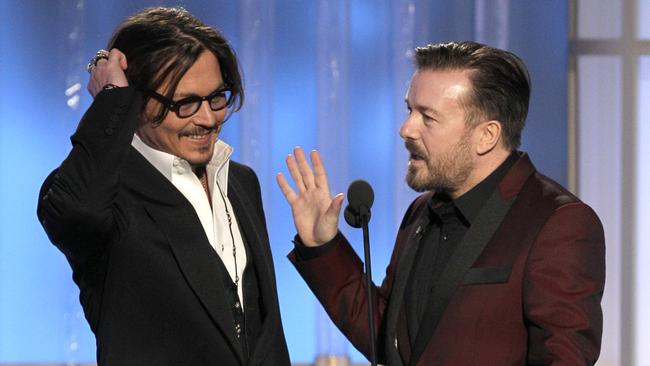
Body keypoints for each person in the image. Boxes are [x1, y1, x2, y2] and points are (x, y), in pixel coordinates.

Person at [277, 41, 605, 365]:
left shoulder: (558, 223)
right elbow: (391, 340)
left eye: (428, 118)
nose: (406, 129)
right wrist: (322, 246)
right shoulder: (421, 211)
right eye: (409, 109)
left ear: (486, 136)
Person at [37, 7, 289, 366]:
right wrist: (111, 101)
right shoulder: (107, 194)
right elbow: (73, 212)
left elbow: (261, 329)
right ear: (137, 101)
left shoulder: (242, 182)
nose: (208, 118)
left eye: (217, 97)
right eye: (185, 103)